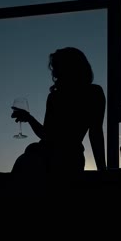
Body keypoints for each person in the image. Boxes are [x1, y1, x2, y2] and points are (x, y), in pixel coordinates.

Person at [10, 47, 107, 180]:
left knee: (25, 166)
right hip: (62, 157)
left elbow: (95, 133)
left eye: (56, 67)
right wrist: (29, 118)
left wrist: (102, 170)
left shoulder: (89, 93)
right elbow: (48, 135)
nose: (54, 73)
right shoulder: (91, 93)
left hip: (64, 159)